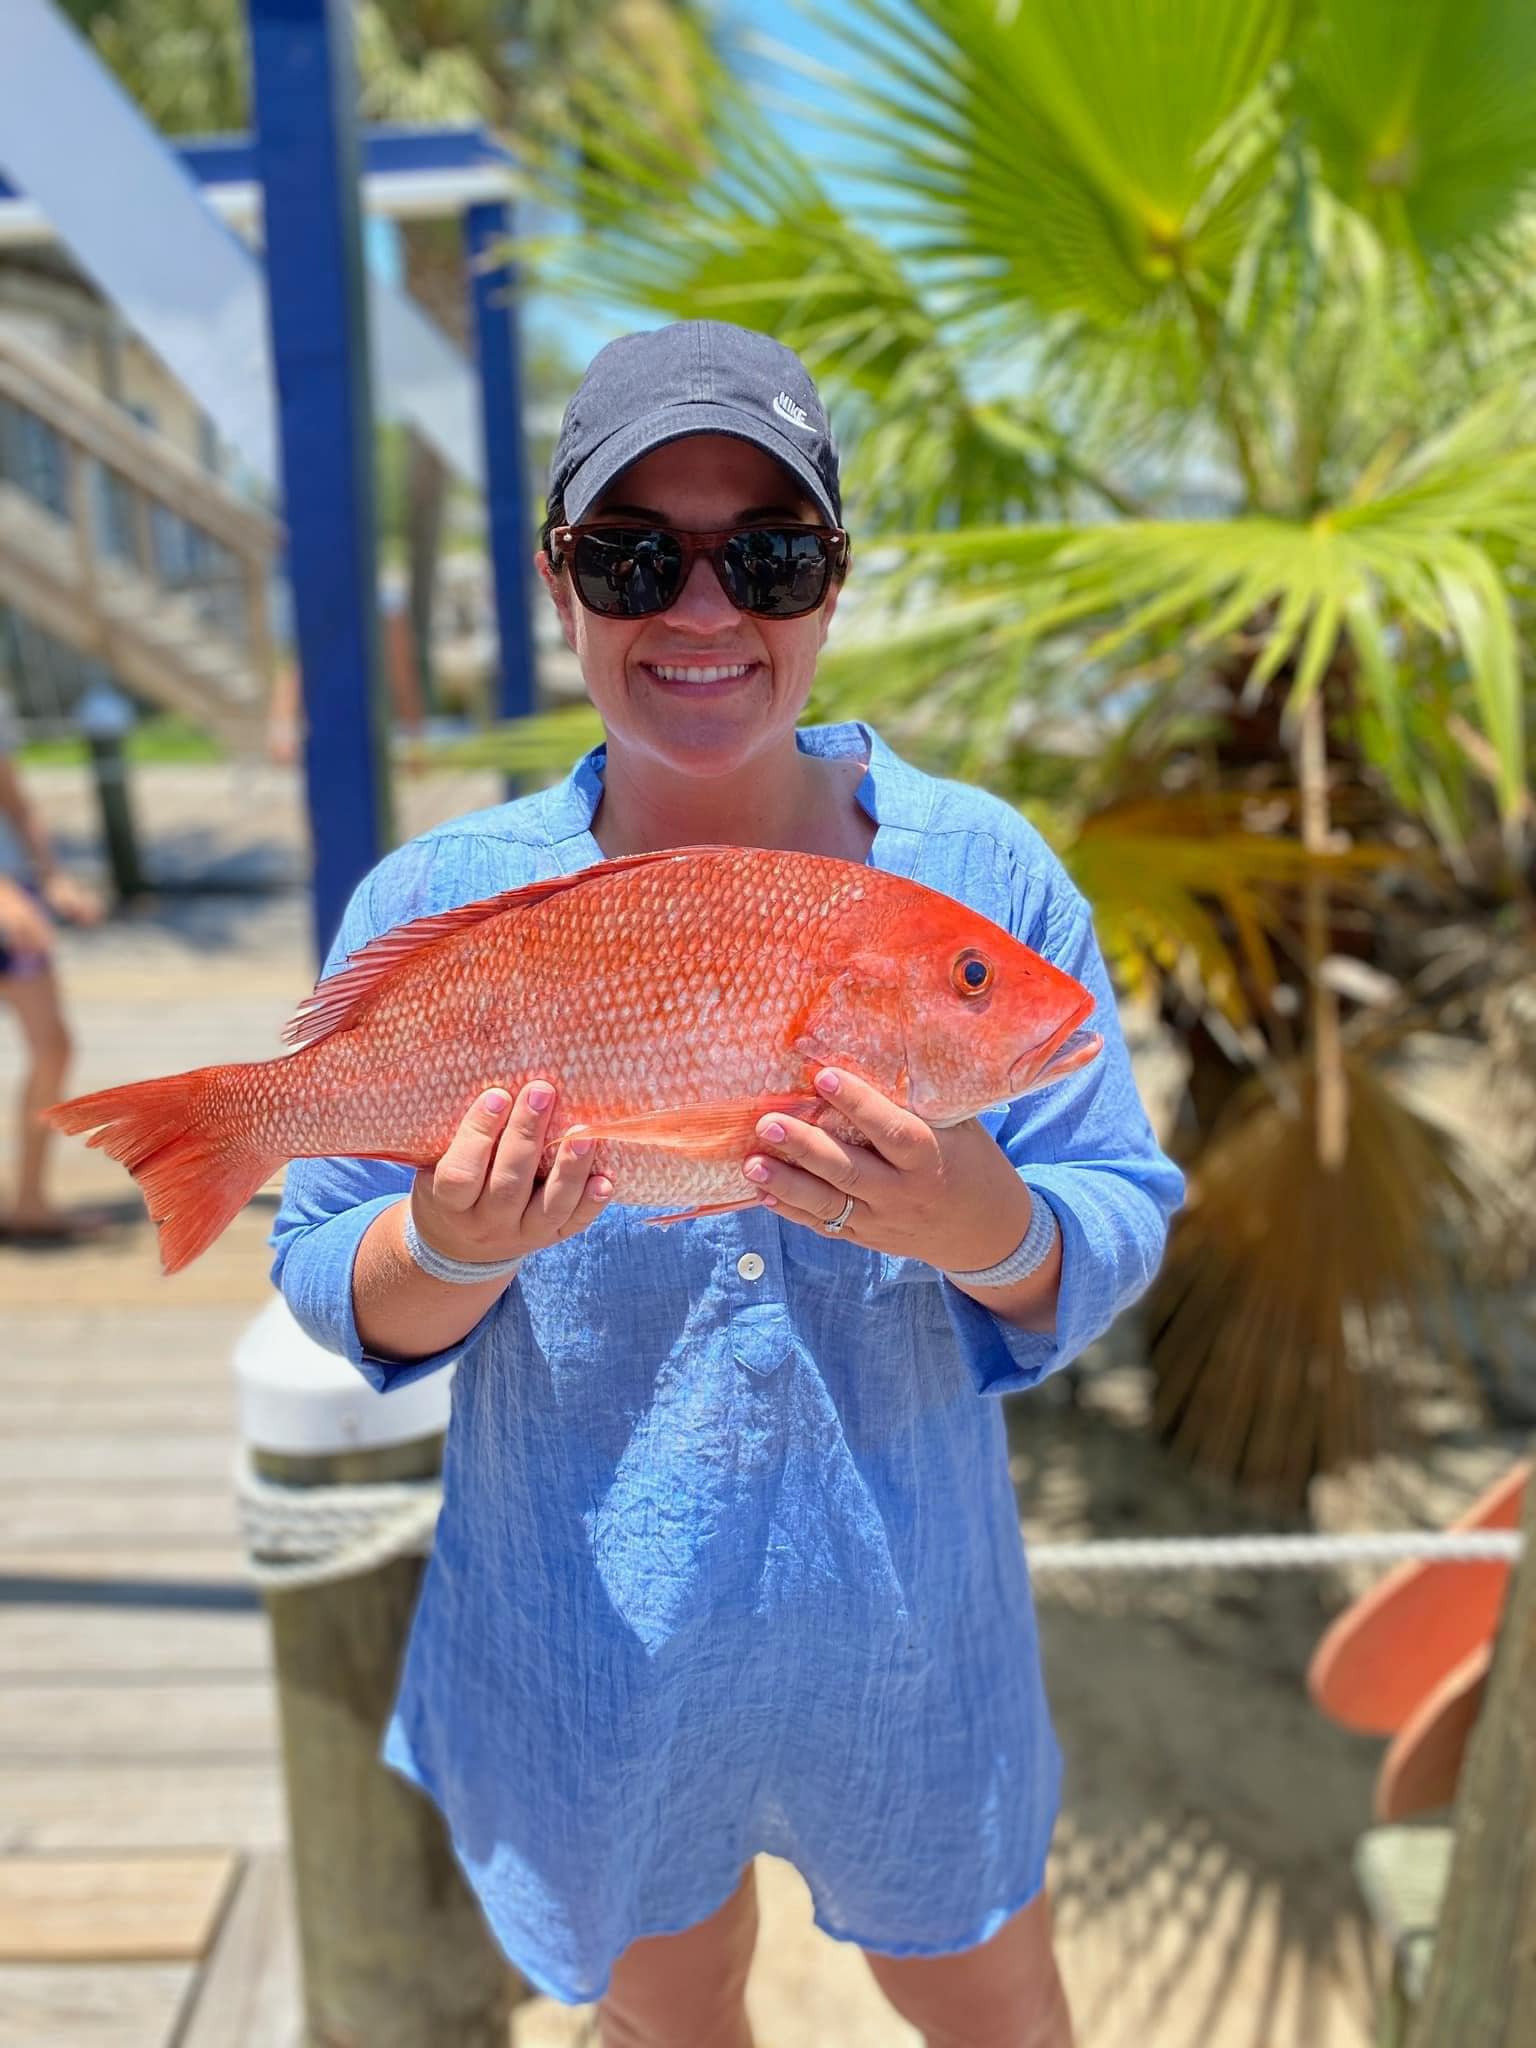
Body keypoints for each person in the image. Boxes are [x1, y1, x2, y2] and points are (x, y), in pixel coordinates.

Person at [271, 322, 1184, 2048]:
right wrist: (450, 1247)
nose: (702, 612)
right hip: (590, 1636)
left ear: (832, 580)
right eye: (634, 556)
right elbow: (329, 1264)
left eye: (766, 555)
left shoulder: (979, 872)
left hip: (909, 1643)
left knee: (999, 2008)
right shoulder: (437, 893)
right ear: (560, 581)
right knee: (666, 2010)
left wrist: (980, 1223)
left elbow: (1119, 1202)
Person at [0, 686, 107, 1243]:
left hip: (13, 900)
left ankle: (29, 1202)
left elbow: (13, 797)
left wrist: (51, 878)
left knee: (53, 1047)